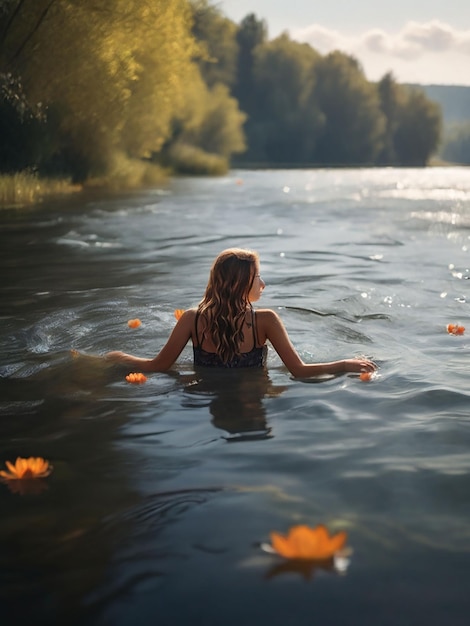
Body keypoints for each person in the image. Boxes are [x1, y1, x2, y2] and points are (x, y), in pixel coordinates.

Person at [105, 248, 377, 377]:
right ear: (241, 284)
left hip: (202, 398)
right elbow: (299, 370)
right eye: (258, 277)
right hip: (253, 393)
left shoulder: (192, 319)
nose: (263, 283)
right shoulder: (265, 321)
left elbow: (157, 366)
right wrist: (344, 365)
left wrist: (115, 357)